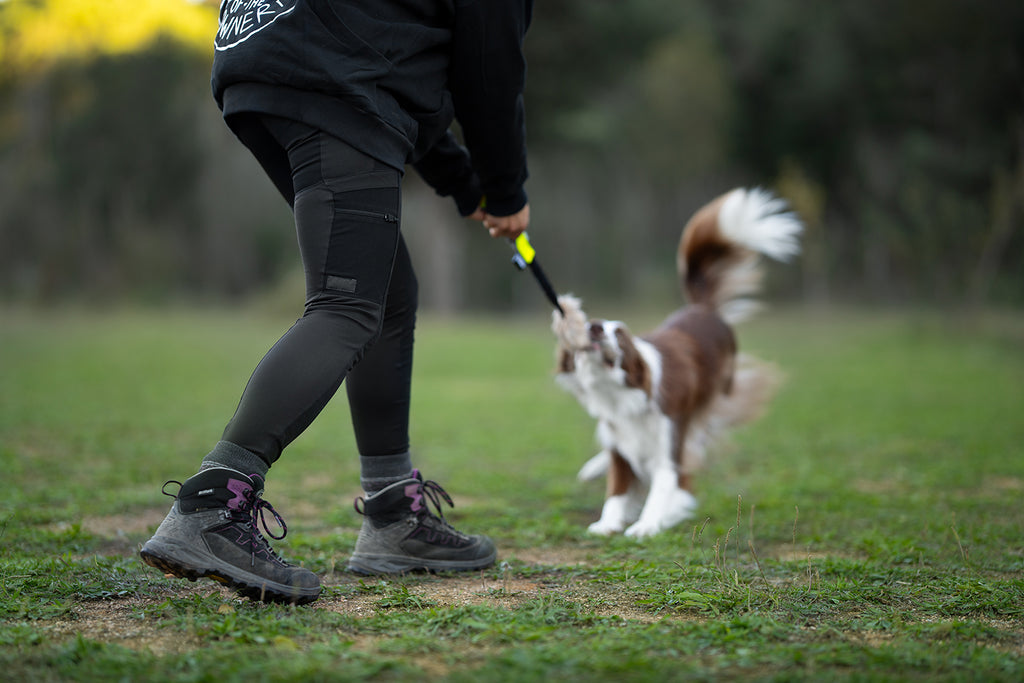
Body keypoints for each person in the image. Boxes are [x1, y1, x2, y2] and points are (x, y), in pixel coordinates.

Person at [139, 0, 533, 605]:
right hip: (329, 73)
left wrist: (464, 183)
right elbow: (486, 66)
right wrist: (505, 190)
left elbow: (397, 45)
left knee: (388, 295)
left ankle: (394, 516)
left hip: (266, 51)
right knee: (346, 306)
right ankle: (213, 503)